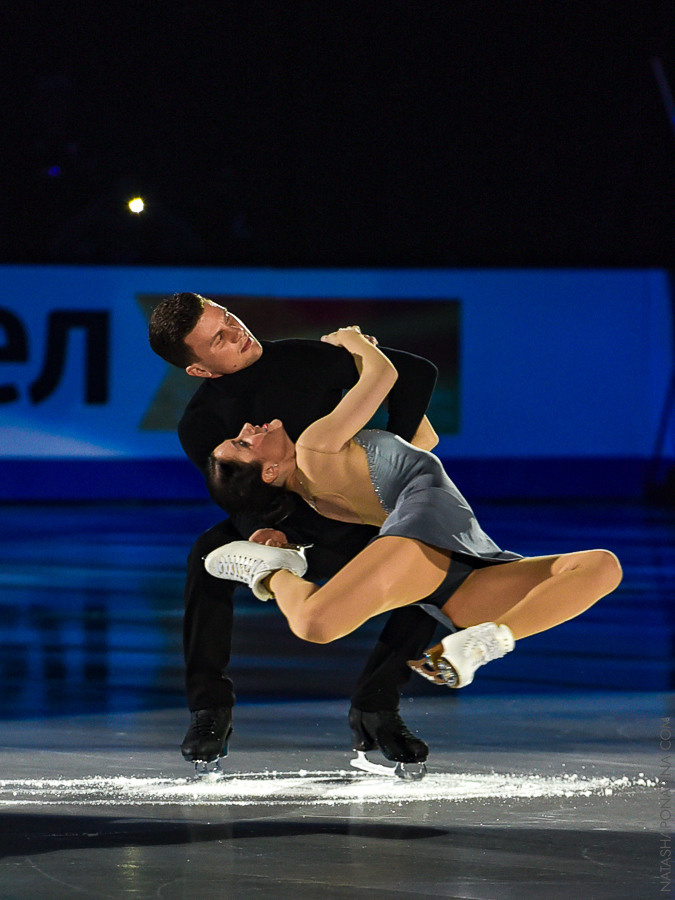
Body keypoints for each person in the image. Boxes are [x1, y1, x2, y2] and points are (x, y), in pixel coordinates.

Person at [205, 326, 623, 690]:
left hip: (453, 562)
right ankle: (272, 570)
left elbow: (422, 442)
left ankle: (483, 643)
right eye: (243, 444)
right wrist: (354, 341)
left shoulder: (320, 499)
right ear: (269, 471)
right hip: (428, 533)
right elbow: (385, 375)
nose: (247, 428)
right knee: (315, 622)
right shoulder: (315, 446)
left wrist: (370, 359)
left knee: (601, 566)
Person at [148, 292, 440, 772]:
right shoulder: (199, 423)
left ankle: (377, 706)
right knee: (205, 555)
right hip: (286, 524)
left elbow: (417, 372)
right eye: (218, 339)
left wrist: (395, 457)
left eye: (229, 317)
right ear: (198, 369)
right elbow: (235, 496)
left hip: (357, 518)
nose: (237, 331)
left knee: (430, 561)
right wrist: (264, 532)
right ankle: (209, 709)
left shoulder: (305, 357)